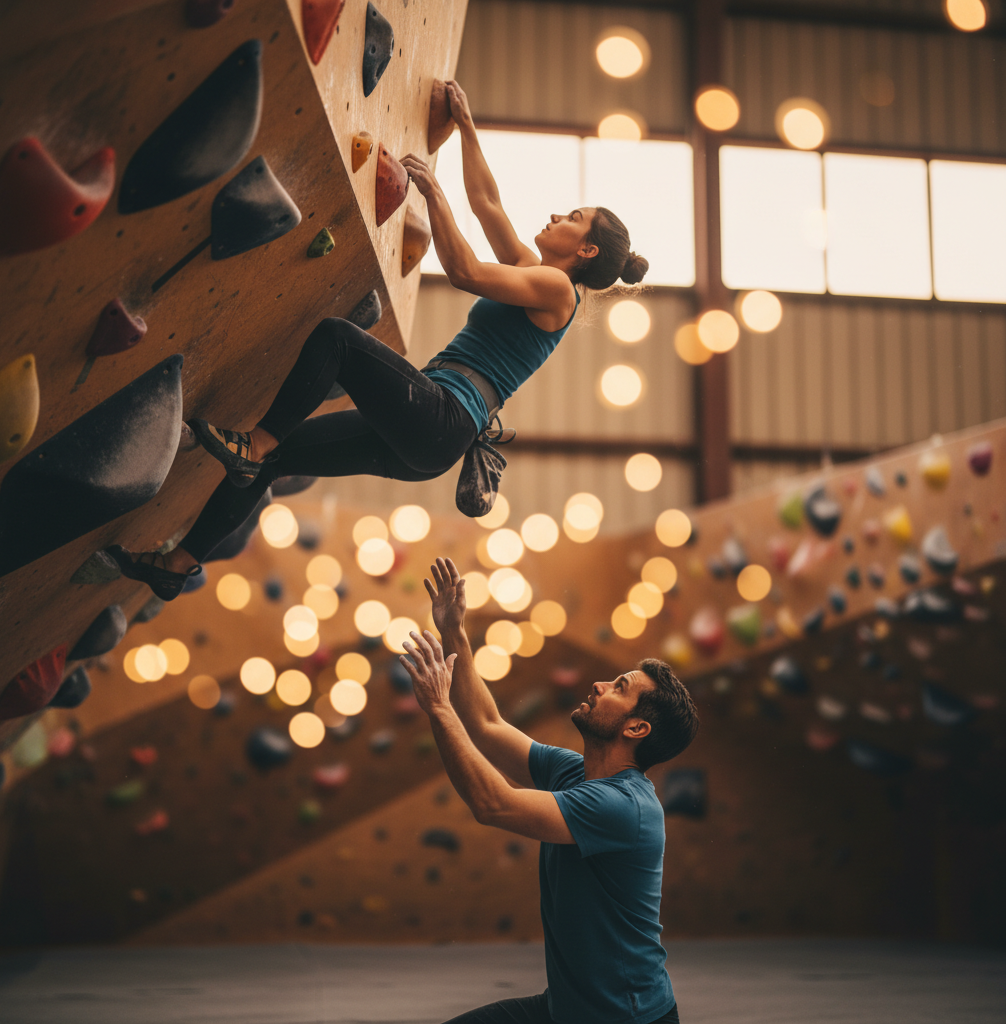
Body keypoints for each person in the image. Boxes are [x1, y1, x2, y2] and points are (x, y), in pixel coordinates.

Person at [106, 82, 649, 599]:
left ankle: (259, 444)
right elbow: (488, 204)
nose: (558, 215)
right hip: (430, 437)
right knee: (276, 463)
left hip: (441, 416)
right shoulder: (538, 275)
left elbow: (463, 270)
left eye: (574, 218)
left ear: (587, 252)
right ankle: (177, 567)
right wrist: (467, 128)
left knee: (336, 342)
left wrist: (433, 194)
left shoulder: (556, 288)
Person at [399, 557, 699, 1024]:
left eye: (618, 687)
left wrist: (438, 707)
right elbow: (487, 724)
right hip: (565, 1010)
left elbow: (492, 804)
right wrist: (454, 630)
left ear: (637, 727)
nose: (599, 684)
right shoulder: (575, 774)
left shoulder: (623, 807)